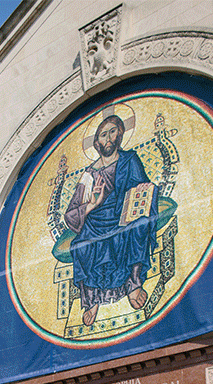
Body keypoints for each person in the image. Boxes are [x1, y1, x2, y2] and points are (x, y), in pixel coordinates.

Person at [64, 113, 160, 324]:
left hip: (123, 215)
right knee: (81, 245)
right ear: (96, 142)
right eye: (103, 135)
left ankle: (134, 283)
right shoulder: (88, 175)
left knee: (138, 225)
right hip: (96, 221)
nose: (108, 139)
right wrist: (92, 205)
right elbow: (70, 215)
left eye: (112, 132)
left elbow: (143, 187)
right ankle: (92, 299)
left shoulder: (129, 160)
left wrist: (143, 190)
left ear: (120, 134)